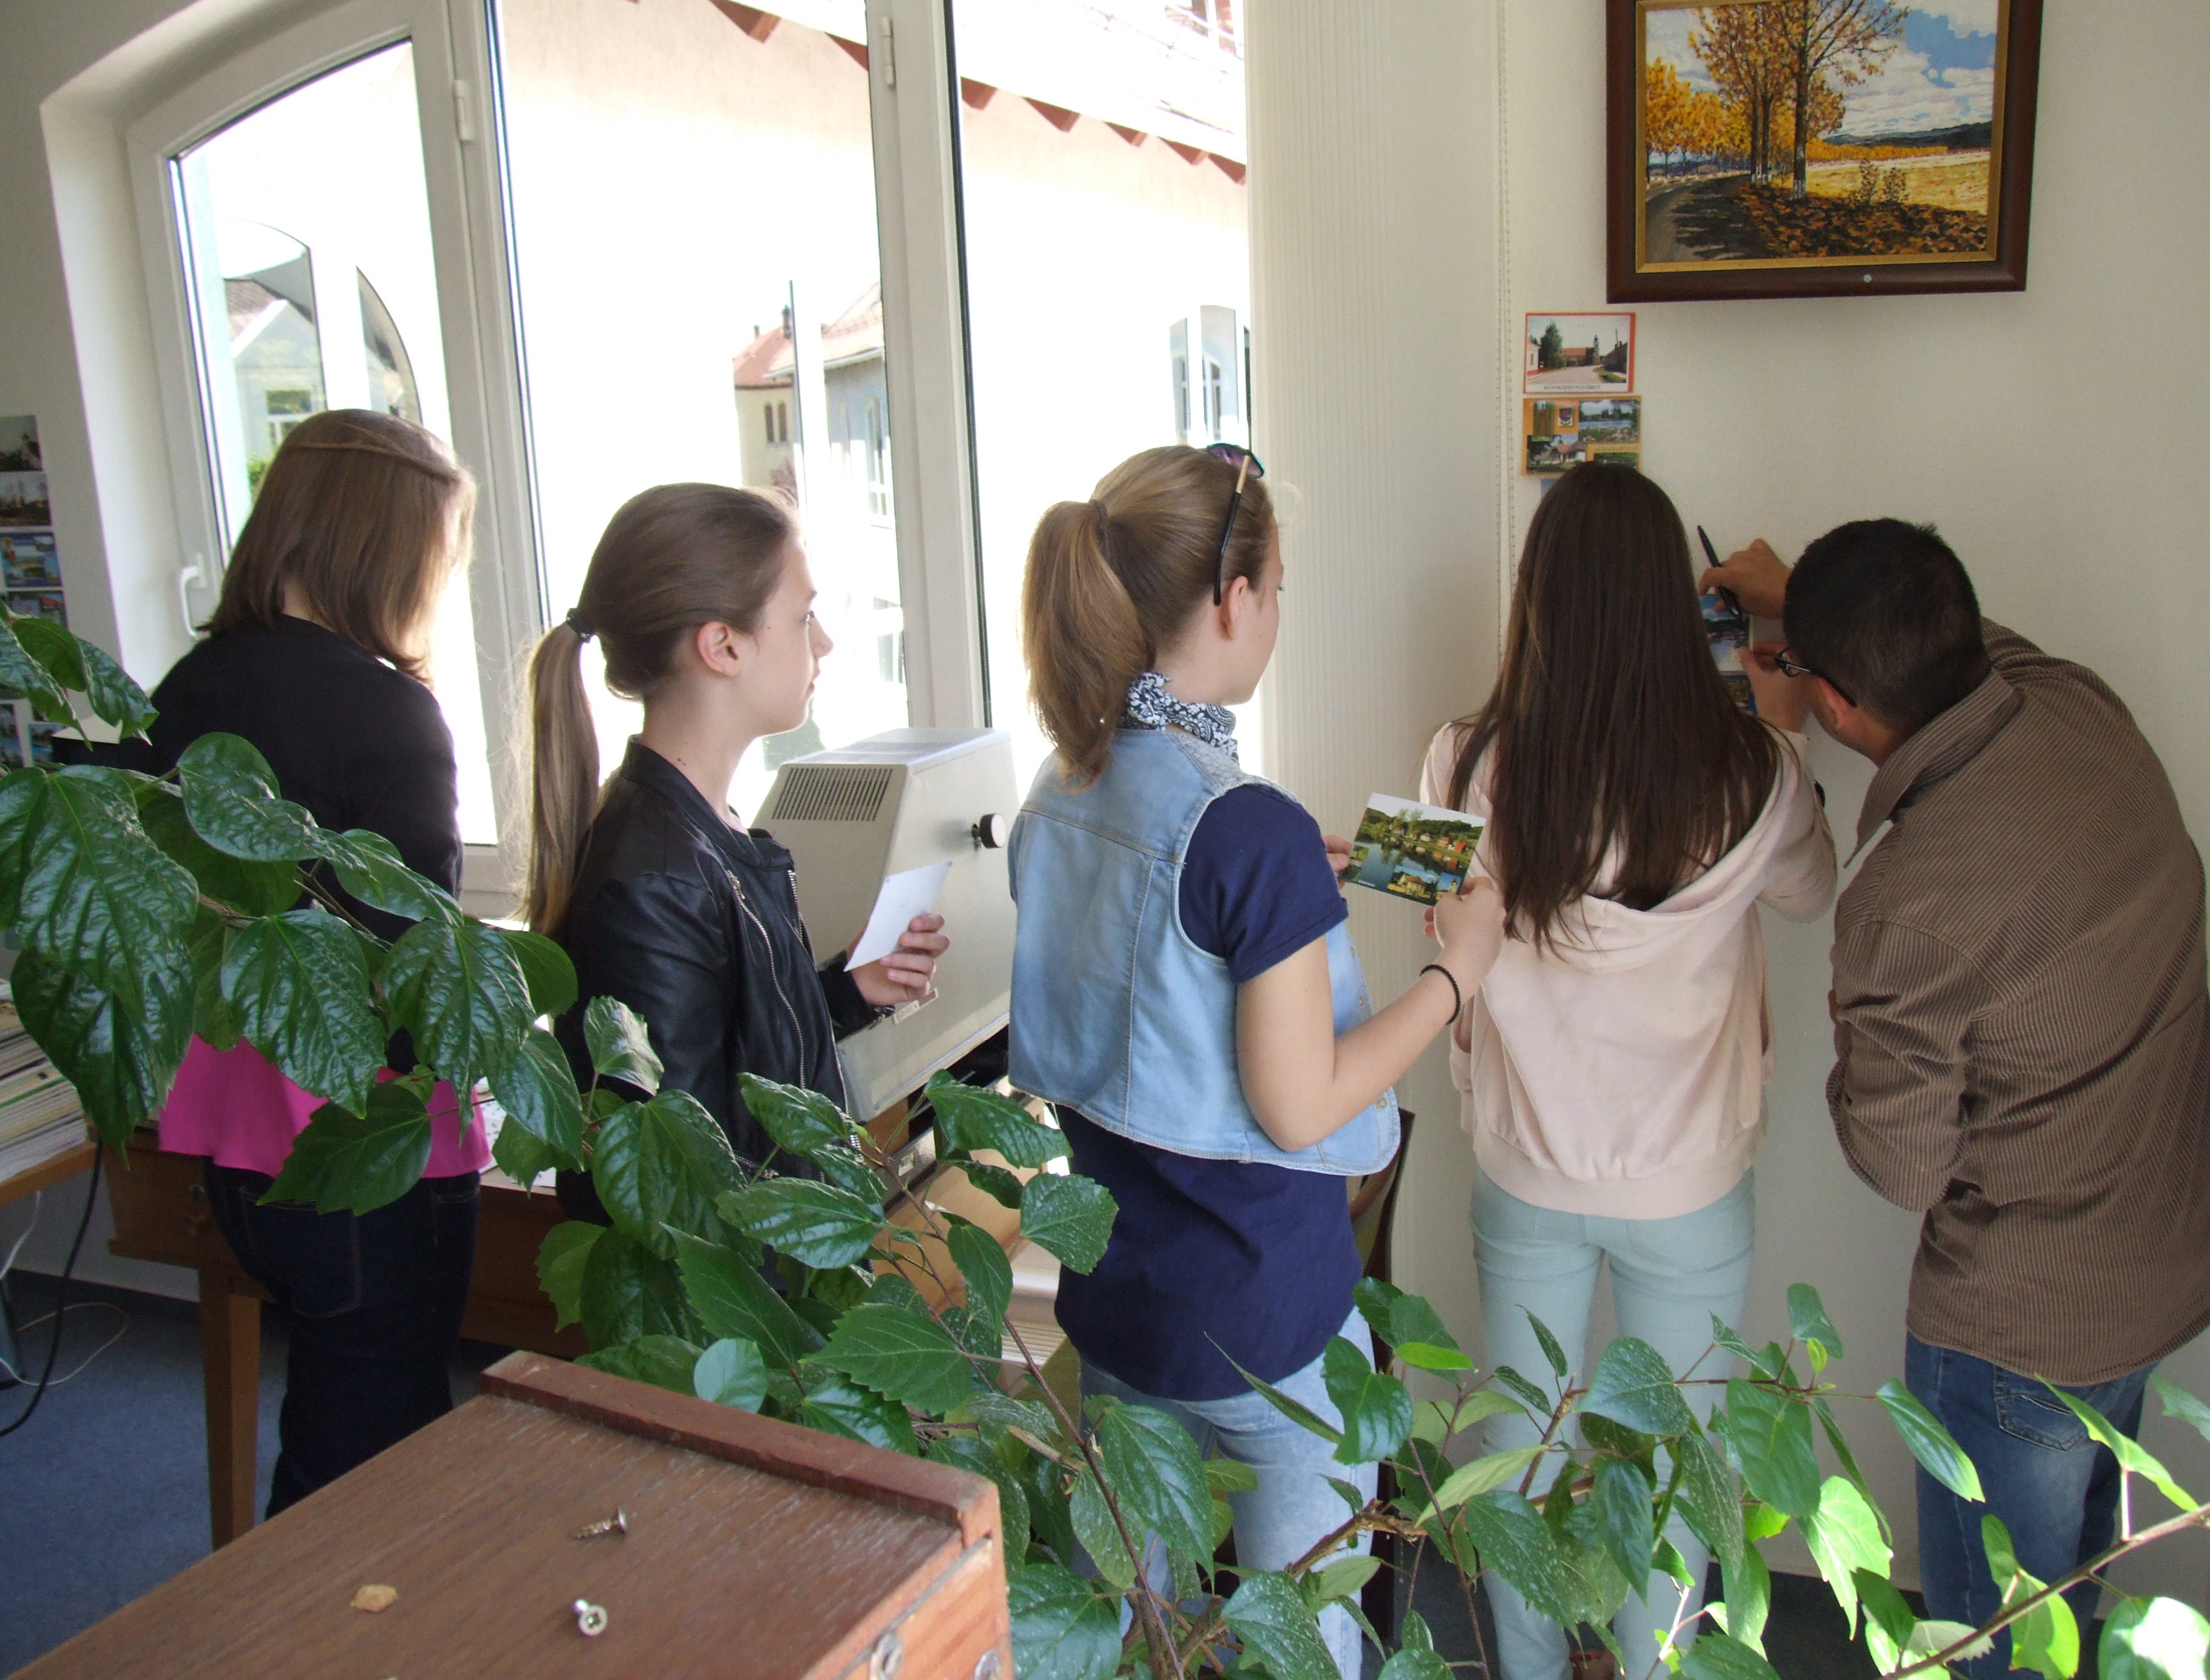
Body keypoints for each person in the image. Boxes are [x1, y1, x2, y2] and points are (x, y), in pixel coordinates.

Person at [1703, 522, 2210, 1674]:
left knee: (1990, 1632)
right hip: (2176, 1245)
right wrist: (1802, 600)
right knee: (2075, 1583)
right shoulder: (2072, 703)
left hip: (2024, 1326)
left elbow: (1899, 1167)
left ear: (1833, 702)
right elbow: (1959, 647)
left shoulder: (1905, 905)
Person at [1007, 444, 1506, 1680]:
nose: (1278, 610)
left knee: (1138, 1637)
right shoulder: (1247, 832)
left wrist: (1285, 894)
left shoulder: (1058, 792)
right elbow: (1301, 1106)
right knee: (1306, 1652)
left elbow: (1145, 999)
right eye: (1277, 587)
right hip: (1263, 1327)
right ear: (1232, 601)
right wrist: (1458, 972)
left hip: (1117, 1311)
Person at [1422, 465, 1836, 1679]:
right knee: (1674, 1464)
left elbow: (1432, 925)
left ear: (1535, 599)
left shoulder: (1463, 761)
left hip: (1525, 1169)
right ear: (1674, 604)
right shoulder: (1754, 772)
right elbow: (1811, 892)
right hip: (1689, 1187)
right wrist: (1789, 728)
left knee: (1523, 1454)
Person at [139, 409, 483, 1513]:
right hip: (365, 1149)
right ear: (382, 548)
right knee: (372, 1460)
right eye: (439, 555)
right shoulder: (386, 712)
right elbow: (412, 964)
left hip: (237, 1144)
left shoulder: (183, 688)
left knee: (335, 1419)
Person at [525, 483, 946, 1210]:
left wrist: (847, 992)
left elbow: (733, 1062)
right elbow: (686, 1187)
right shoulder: (655, 880)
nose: (823, 642)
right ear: (723, 646)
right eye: (804, 617)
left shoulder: (705, 830)